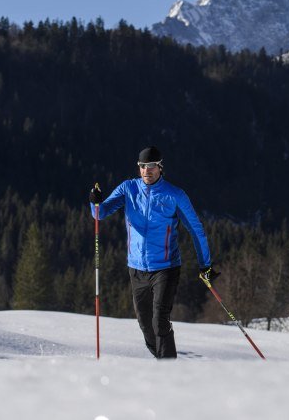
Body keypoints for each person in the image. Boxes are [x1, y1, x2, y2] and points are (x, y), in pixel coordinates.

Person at [89, 146, 218, 359]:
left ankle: (168, 370)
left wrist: (206, 265)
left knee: (160, 320)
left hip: (166, 267)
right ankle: (162, 359)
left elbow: (196, 229)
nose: (146, 171)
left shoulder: (174, 195)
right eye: (142, 166)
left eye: (151, 166)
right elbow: (100, 214)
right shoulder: (128, 189)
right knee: (145, 323)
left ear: (160, 167)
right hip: (136, 268)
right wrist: (94, 201)